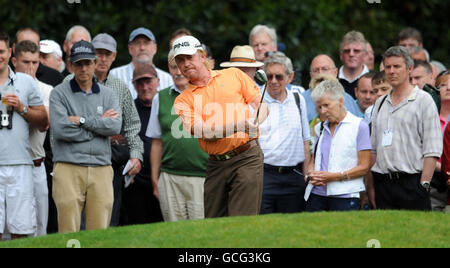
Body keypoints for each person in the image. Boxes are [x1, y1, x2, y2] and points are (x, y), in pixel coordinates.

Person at [172, 35, 268, 218]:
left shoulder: (234, 74)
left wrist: (256, 120)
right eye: (180, 61)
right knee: (213, 222)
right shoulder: (182, 100)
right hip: (215, 163)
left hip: (246, 157)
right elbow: (205, 132)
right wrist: (240, 125)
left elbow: (261, 105)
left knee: (242, 221)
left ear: (202, 56)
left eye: (189, 57)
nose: (185, 64)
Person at [64, 33, 144, 226]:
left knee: (109, 222)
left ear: (115, 56)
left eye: (107, 54)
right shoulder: (69, 83)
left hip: (111, 163)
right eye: (98, 53)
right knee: (79, 223)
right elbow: (63, 122)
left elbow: (132, 126)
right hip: (77, 160)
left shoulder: (120, 87)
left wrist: (136, 155)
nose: (103, 58)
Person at [49, 40, 122, 233]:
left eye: (87, 63)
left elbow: (114, 126)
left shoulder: (108, 94)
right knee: (68, 231)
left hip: (101, 168)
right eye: (78, 63)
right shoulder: (58, 93)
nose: (83, 68)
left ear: (95, 63)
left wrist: (81, 121)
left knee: (99, 233)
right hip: (68, 166)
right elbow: (61, 130)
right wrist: (99, 126)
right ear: (71, 65)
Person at [371, 46, 442, 211]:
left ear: (409, 69)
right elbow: (373, 150)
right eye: (388, 67)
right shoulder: (380, 103)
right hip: (383, 183)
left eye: (397, 66)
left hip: (412, 183)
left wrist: (424, 184)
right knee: (385, 235)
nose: (391, 71)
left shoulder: (423, 100)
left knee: (415, 235)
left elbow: (432, 149)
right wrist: (372, 187)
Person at [147, 50, 208, 222]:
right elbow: (157, 141)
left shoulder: (207, 94)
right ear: (169, 68)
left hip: (202, 176)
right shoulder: (161, 97)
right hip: (170, 177)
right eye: (174, 66)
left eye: (182, 65)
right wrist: (155, 178)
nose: (179, 71)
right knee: (174, 233)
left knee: (201, 233)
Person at [0, 32, 48, 240]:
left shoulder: (26, 82)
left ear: (9, 51)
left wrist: (21, 107)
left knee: (22, 231)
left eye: (1, 51)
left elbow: (43, 122)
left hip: (20, 164)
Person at [305, 80, 371, 212]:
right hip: (316, 195)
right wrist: (312, 173)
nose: (323, 111)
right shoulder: (319, 127)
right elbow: (314, 160)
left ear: (341, 101)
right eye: (319, 107)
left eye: (326, 105)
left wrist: (334, 176)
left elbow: (364, 167)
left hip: (346, 195)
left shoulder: (359, 126)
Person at [258, 53, 311, 214]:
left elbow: (305, 139)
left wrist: (306, 174)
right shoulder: (256, 99)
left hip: (293, 176)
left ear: (290, 77)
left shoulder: (298, 99)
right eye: (269, 76)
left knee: (292, 229)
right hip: (264, 175)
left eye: (279, 77)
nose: (273, 81)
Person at [12, 40, 53, 236]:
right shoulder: (5, 87)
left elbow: (43, 123)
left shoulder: (46, 90)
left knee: (40, 229)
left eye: (35, 63)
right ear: (14, 61)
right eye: (25, 62)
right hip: (9, 166)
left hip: (36, 165)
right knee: (8, 229)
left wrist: (21, 107)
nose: (30, 68)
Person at [120, 63, 163, 224]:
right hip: (135, 181)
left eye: (149, 81)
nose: (145, 87)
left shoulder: (166, 105)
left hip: (163, 178)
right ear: (134, 85)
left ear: (158, 81)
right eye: (140, 83)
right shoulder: (129, 109)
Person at [111, 27, 173, 99]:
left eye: (146, 43)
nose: (142, 48)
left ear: (155, 48)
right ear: (130, 49)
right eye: (137, 43)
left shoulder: (168, 79)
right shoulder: (114, 75)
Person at [302, 54, 361, 123]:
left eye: (325, 69)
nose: (320, 73)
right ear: (311, 75)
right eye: (316, 70)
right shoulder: (302, 100)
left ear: (335, 72)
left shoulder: (348, 99)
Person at [338, 31, 370, 99]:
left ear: (364, 55)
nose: (351, 54)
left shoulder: (376, 80)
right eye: (347, 51)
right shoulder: (331, 79)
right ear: (341, 55)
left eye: (356, 51)